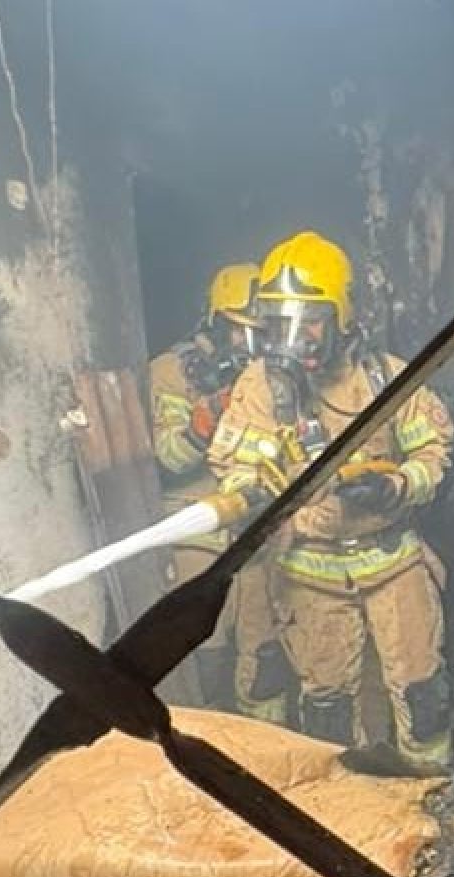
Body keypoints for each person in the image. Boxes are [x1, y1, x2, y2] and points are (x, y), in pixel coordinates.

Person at [208, 231, 454, 776]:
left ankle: (434, 799)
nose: (293, 338)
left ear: (343, 315)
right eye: (278, 322)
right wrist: (254, 495)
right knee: (327, 709)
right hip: (308, 571)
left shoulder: (387, 378)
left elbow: (432, 452)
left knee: (422, 696)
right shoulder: (260, 386)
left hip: (392, 562)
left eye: (310, 320)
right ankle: (346, 814)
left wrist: (396, 485)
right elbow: (237, 466)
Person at [147, 262, 293, 721]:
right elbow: (167, 458)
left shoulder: (273, 379)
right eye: (239, 332)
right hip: (198, 530)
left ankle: (267, 756)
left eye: (258, 334)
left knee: (265, 658)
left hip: (255, 532)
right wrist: (205, 420)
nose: (248, 347)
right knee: (205, 651)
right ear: (215, 321)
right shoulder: (172, 372)